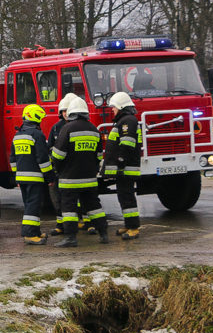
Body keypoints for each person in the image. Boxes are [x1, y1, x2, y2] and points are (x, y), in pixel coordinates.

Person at [51, 97, 108, 247]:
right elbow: (99, 156)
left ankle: (70, 238)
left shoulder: (66, 129)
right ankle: (103, 234)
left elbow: (57, 155)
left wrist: (58, 169)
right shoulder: (94, 129)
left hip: (69, 179)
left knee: (69, 209)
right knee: (94, 206)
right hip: (89, 179)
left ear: (71, 113)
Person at [10, 105, 55, 245]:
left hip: (22, 179)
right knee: (33, 206)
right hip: (35, 178)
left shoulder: (17, 136)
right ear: (36, 118)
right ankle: (29, 234)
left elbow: (13, 159)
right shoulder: (37, 135)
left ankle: (35, 231)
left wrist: (16, 177)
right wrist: (50, 177)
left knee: (29, 205)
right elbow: (42, 159)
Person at [103, 91, 142, 240]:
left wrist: (120, 161)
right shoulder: (125, 120)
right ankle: (129, 224)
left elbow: (127, 144)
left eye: (114, 107)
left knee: (127, 197)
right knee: (124, 196)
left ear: (121, 106)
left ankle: (133, 227)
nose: (112, 110)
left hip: (126, 168)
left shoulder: (128, 121)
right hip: (124, 167)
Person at [47, 93, 77, 236]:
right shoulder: (55, 128)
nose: (66, 114)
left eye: (68, 111)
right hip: (59, 170)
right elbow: (50, 148)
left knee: (77, 198)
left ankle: (84, 221)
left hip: (74, 169)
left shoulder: (77, 126)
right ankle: (61, 224)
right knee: (58, 199)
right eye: (64, 111)